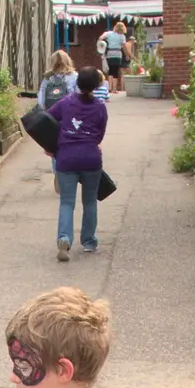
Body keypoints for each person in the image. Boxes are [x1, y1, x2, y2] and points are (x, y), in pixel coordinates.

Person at [49, 69, 109, 261]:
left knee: (67, 202)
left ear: (78, 82)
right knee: (90, 201)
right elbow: (100, 135)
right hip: (91, 159)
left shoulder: (65, 102)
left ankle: (64, 239)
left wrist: (52, 144)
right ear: (97, 86)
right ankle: (89, 242)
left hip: (66, 158)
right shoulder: (100, 107)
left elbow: (47, 119)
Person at [38, 50, 77, 195]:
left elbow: (41, 101)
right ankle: (68, 173)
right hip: (69, 118)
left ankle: (57, 172)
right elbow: (78, 95)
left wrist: (46, 113)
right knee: (70, 145)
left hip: (51, 118)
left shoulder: (47, 79)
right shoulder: (73, 76)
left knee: (54, 148)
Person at [100, 22, 130, 93]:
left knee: (110, 70)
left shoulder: (109, 33)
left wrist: (100, 43)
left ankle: (109, 88)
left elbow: (101, 37)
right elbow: (124, 47)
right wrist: (126, 55)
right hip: (117, 53)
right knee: (115, 71)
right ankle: (114, 89)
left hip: (110, 53)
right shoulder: (122, 36)